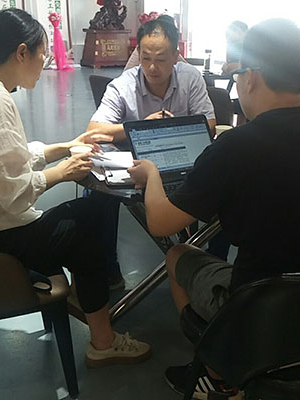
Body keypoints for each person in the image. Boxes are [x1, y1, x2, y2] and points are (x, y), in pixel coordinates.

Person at [128, 18, 300, 398]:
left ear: (252, 76)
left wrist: (151, 174)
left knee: (177, 254)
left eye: (238, 73)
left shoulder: (235, 146)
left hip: (262, 318)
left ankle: (220, 373)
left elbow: (161, 222)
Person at [0, 8, 150, 367]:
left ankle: (86, 292)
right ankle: (102, 338)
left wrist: (64, 147)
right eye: (43, 53)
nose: (45, 60)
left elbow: (10, 157)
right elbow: (11, 192)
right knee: (88, 229)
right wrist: (61, 172)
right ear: (22, 53)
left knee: (90, 212)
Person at [86, 15, 216, 288]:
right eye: (146, 58)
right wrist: (140, 126)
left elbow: (210, 123)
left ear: (176, 57)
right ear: (138, 54)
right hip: (137, 168)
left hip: (181, 162)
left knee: (225, 185)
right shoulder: (124, 85)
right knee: (96, 194)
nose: (152, 67)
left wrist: (172, 128)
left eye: (162, 59)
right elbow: (94, 131)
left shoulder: (190, 78)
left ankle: (213, 264)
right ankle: (108, 269)